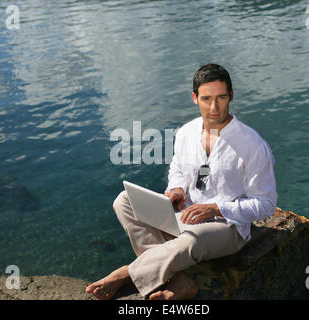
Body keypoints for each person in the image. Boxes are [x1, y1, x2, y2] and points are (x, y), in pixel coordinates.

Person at [86, 63, 278, 300]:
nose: (214, 106)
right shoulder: (187, 132)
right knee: (124, 201)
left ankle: (128, 273)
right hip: (185, 217)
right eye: (206, 98)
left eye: (221, 97)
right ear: (194, 98)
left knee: (190, 241)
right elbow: (177, 168)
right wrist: (176, 189)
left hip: (227, 228)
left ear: (231, 96)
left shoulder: (253, 145)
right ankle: (178, 281)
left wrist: (215, 208)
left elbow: (266, 204)